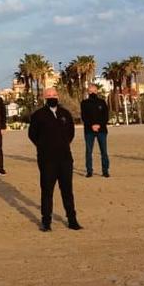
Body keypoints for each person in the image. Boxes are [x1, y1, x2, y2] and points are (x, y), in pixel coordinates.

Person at [26, 88, 81, 232]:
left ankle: (72, 220)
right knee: (47, 191)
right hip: (46, 159)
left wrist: (63, 143)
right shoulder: (38, 115)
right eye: (49, 95)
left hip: (65, 158)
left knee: (67, 190)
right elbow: (32, 134)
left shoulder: (65, 114)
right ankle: (46, 221)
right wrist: (43, 146)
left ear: (58, 96)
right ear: (44, 98)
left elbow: (71, 133)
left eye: (54, 95)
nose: (52, 97)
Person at [79, 87, 111, 178]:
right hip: (89, 131)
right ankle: (89, 171)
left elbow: (105, 116)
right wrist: (92, 125)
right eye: (90, 91)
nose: (92, 92)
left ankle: (105, 171)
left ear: (97, 92)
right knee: (89, 151)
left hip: (102, 131)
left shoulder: (102, 102)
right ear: (88, 92)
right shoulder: (84, 103)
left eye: (94, 91)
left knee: (104, 151)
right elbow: (84, 117)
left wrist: (99, 125)